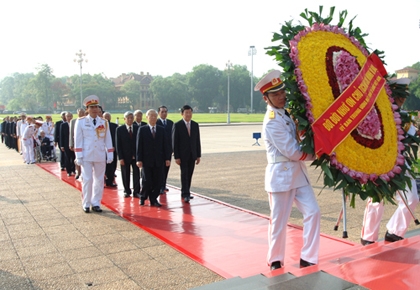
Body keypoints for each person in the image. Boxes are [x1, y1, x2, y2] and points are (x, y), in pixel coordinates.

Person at [254, 70, 320, 270]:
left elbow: (297, 140)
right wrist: (316, 154)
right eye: (275, 94)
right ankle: (275, 259)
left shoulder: (286, 113)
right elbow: (292, 151)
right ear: (266, 99)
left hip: (298, 175)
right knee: (279, 221)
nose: (281, 96)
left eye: (282, 91)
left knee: (313, 212)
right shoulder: (272, 121)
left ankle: (308, 257)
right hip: (281, 175)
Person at [361, 78, 419, 245]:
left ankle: (395, 231)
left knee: (412, 198)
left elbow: (414, 136)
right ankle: (368, 237)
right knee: (376, 199)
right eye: (400, 95)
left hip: (401, 162)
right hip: (380, 162)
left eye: (404, 96)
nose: (402, 99)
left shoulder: (405, 117)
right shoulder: (377, 113)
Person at [74, 95, 113, 213]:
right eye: (92, 107)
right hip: (86, 154)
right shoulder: (81, 122)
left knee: (99, 179)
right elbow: (78, 140)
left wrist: (110, 153)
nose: (95, 109)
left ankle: (96, 202)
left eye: (96, 107)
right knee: (87, 179)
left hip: (100, 154)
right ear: (87, 109)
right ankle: (86, 203)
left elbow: (108, 139)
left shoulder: (104, 122)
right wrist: (78, 156)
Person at [136, 109, 171, 206]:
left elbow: (166, 145)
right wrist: (139, 159)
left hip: (159, 160)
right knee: (147, 181)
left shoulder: (161, 129)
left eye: (155, 116)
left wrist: (167, 158)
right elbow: (139, 145)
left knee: (158, 181)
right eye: (151, 116)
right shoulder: (142, 130)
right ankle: (143, 197)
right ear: (147, 117)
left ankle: (153, 199)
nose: (153, 118)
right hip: (147, 160)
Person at [172, 105, 201, 203]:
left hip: (192, 155)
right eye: (186, 113)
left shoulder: (195, 125)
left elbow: (197, 141)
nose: (188, 114)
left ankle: (186, 191)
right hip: (182, 155)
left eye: (190, 112)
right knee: (184, 174)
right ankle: (186, 194)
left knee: (189, 174)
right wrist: (176, 156)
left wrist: (198, 155)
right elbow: (175, 142)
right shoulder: (177, 125)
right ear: (182, 114)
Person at [116, 111, 140, 198]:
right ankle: (127, 190)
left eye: (131, 118)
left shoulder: (138, 128)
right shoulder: (120, 129)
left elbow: (140, 143)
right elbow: (118, 145)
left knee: (136, 174)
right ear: (124, 119)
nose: (130, 120)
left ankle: (137, 191)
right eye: (128, 118)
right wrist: (120, 157)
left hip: (135, 156)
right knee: (125, 174)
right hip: (125, 156)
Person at [157, 105, 174, 194]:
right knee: (160, 169)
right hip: (159, 151)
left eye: (165, 112)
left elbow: (173, 137)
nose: (164, 113)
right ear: (159, 113)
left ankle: (163, 185)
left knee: (166, 168)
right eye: (162, 112)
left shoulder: (171, 123)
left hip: (168, 150)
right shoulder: (156, 123)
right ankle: (159, 186)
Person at [103, 112, 118, 187]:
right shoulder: (101, 126)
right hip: (102, 149)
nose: (107, 118)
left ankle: (110, 180)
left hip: (112, 148)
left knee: (112, 165)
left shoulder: (114, 126)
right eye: (105, 116)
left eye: (108, 116)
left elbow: (116, 138)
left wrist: (114, 146)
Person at [69, 108, 85, 179]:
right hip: (77, 143)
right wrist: (71, 144)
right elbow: (71, 133)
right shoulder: (73, 121)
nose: (81, 113)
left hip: (85, 144)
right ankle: (78, 172)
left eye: (82, 112)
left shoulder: (87, 120)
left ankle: (84, 173)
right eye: (80, 112)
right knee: (78, 158)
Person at [60, 112, 75, 176]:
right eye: (67, 116)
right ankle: (68, 171)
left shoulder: (75, 124)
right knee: (67, 158)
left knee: (74, 157)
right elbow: (61, 136)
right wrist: (62, 145)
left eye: (70, 116)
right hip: (66, 144)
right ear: (65, 117)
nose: (69, 118)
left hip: (73, 144)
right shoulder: (63, 125)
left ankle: (73, 170)